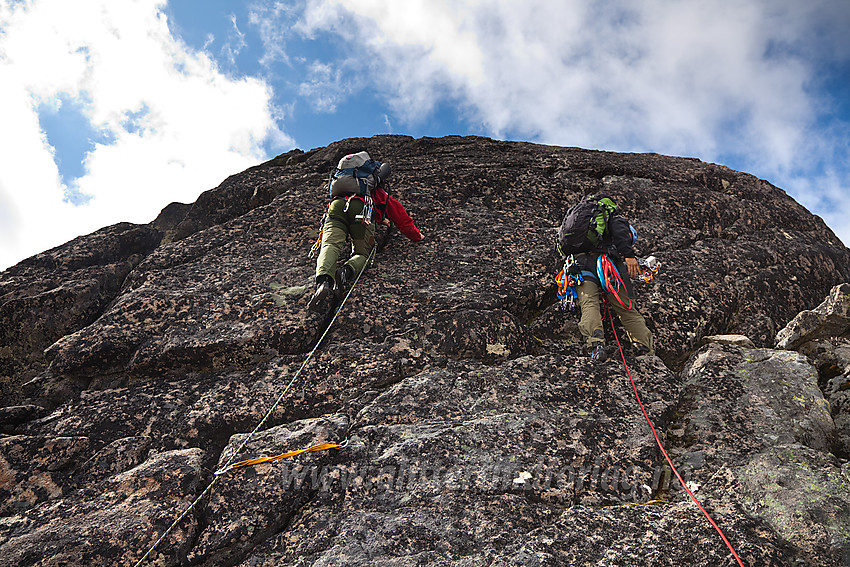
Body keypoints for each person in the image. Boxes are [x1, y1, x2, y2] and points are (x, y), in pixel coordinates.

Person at [308, 151, 423, 312]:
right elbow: (400, 216)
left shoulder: (343, 187)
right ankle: (345, 273)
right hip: (360, 208)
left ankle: (323, 282)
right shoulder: (376, 191)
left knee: (330, 245)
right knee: (363, 254)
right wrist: (416, 236)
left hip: (336, 206)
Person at [559, 197, 654, 362]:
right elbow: (620, 233)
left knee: (589, 305)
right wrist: (629, 256)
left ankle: (596, 345)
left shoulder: (577, 220)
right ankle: (644, 350)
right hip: (607, 267)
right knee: (627, 310)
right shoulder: (613, 216)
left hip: (579, 265)